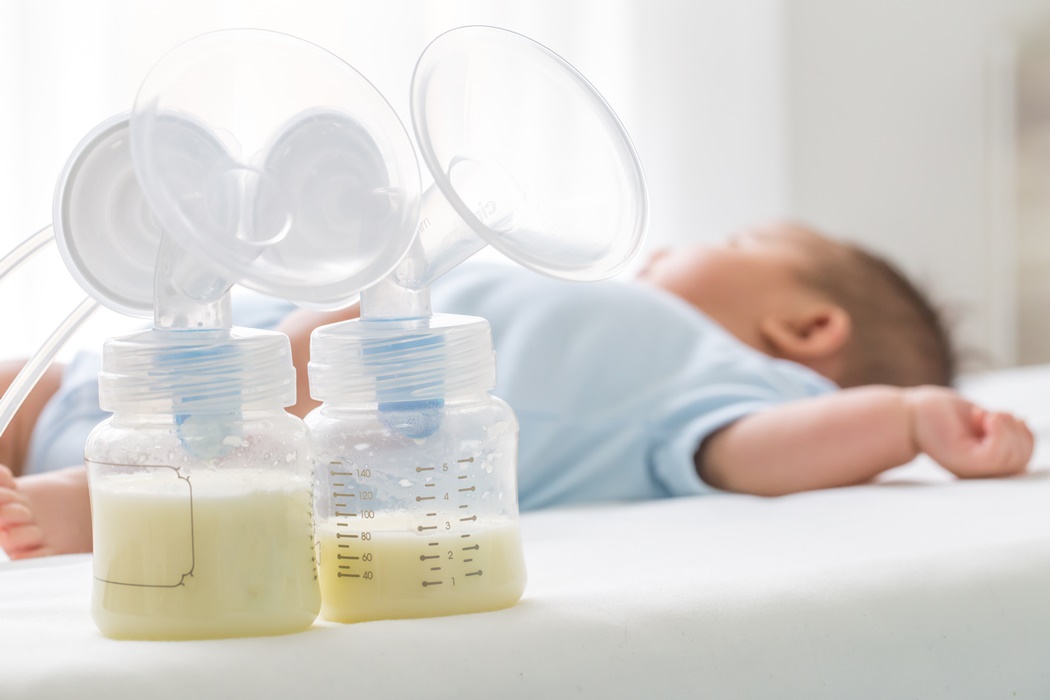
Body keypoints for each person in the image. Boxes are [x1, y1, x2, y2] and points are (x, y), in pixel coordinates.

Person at [0, 221, 1033, 559]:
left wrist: (904, 421)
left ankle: (49, 512)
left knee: (231, 481)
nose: (676, 242)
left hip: (291, 440)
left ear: (807, 329)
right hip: (193, 368)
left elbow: (747, 451)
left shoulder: (728, 375)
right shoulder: (609, 300)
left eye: (726, 240)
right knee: (30, 383)